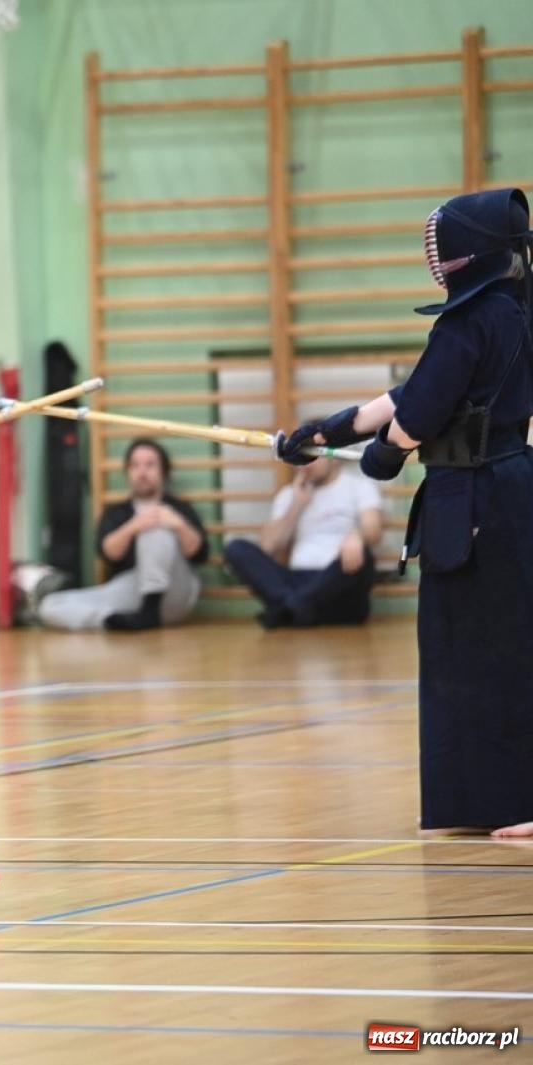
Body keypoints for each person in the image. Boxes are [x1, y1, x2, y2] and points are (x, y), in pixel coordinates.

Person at [277, 187, 533, 838]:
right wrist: (330, 431)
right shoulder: (513, 311)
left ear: (464, 253)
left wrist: (382, 456)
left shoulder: (468, 323)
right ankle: (496, 797)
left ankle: (512, 799)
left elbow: (415, 416)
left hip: (477, 500)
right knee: (500, 644)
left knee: (478, 652)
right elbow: (412, 392)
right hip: (509, 490)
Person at [36, 439, 208, 631]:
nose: (142, 472)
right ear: (128, 472)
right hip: (133, 593)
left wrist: (178, 525)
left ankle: (151, 609)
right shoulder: (116, 513)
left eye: (150, 465)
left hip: (175, 590)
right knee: (50, 605)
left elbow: (199, 553)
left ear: (163, 471)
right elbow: (108, 554)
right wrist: (132, 527)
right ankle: (113, 621)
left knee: (156, 527)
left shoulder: (180, 509)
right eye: (135, 465)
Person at [223, 457, 382, 628]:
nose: (306, 463)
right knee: (236, 549)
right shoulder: (289, 494)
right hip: (297, 580)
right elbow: (268, 547)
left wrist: (357, 536)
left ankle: (289, 609)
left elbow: (373, 530)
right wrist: (296, 505)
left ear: (333, 459)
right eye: (301, 458)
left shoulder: (358, 487)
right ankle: (295, 607)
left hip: (339, 584)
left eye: (313, 457)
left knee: (365, 555)